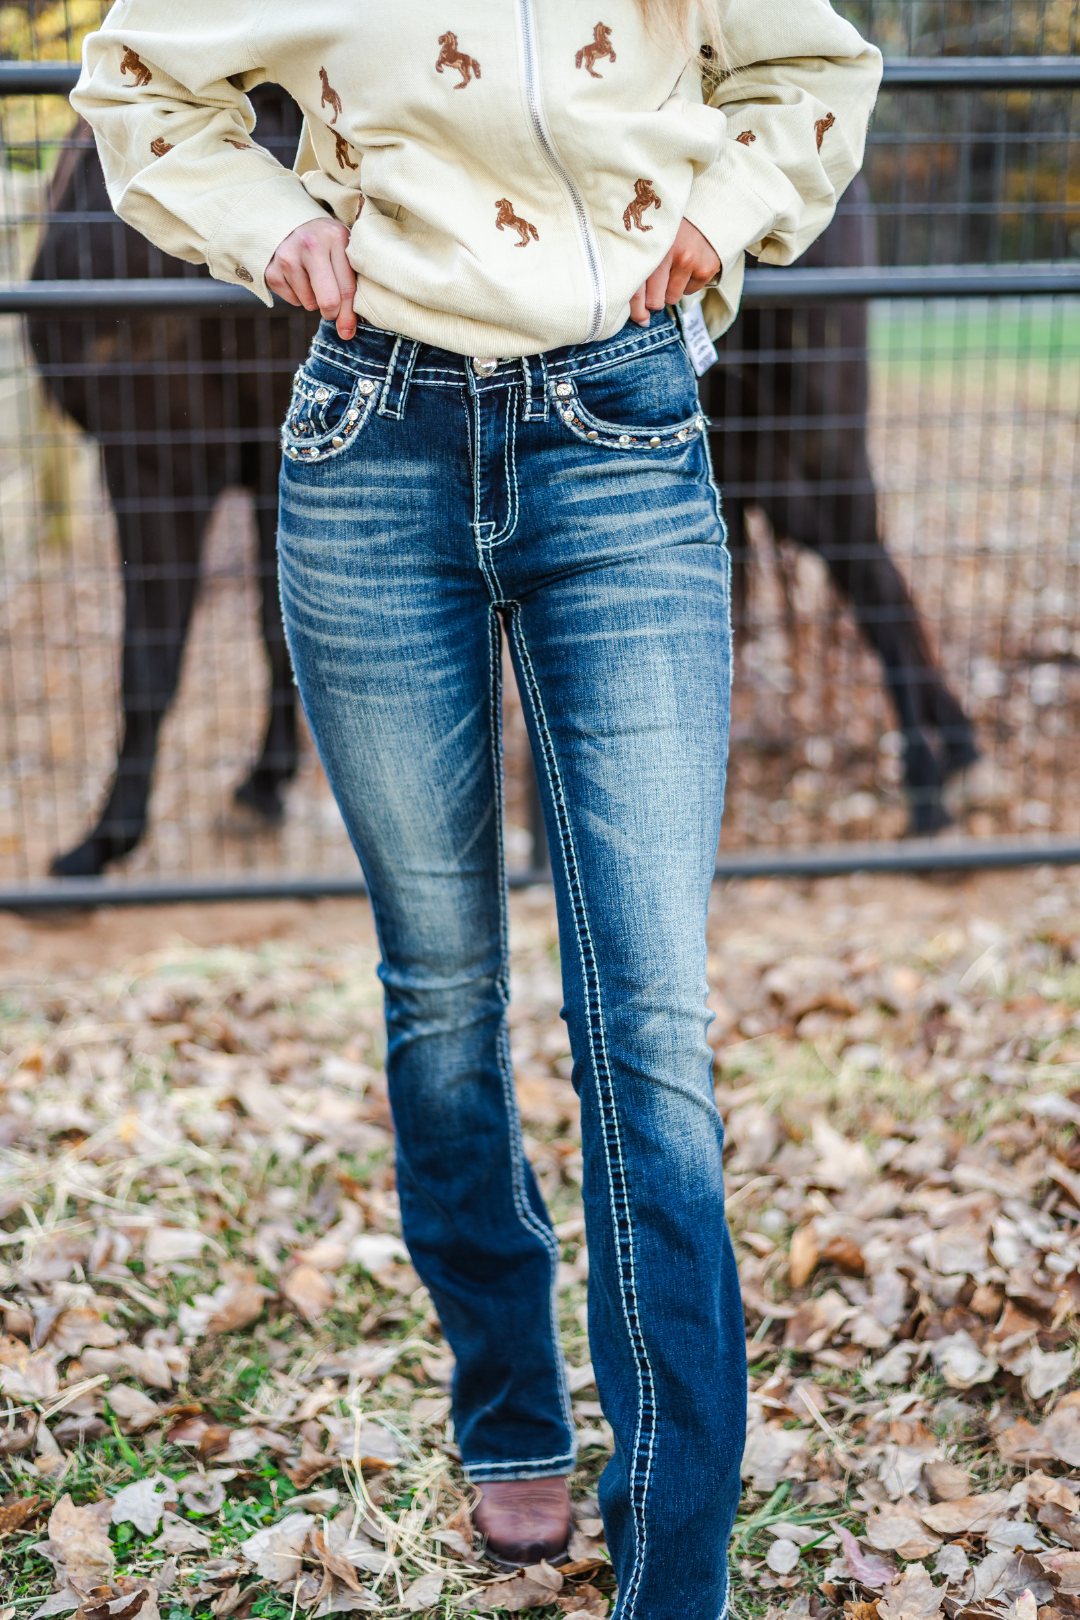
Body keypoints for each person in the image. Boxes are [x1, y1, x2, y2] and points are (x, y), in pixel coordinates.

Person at [74, 5, 880, 1614]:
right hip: (372, 442)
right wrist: (274, 224)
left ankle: (676, 1568)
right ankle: (510, 1403)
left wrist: (720, 213)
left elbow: (818, 66)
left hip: (619, 433)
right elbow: (135, 75)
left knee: (649, 1017)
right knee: (442, 989)